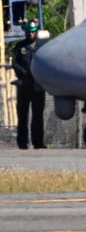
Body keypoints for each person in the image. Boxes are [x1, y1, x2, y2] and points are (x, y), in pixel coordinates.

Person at [12, 20, 46, 150]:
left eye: (32, 32)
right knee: (22, 115)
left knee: (38, 115)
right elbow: (15, 64)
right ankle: (22, 143)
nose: (30, 34)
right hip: (24, 85)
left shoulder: (41, 47)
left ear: (36, 32)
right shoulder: (20, 47)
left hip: (38, 86)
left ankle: (38, 142)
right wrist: (24, 72)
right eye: (28, 32)